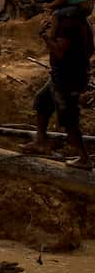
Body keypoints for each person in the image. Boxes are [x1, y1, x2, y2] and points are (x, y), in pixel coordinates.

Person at [23, 11, 93, 169]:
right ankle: (40, 142)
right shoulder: (82, 19)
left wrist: (44, 35)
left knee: (69, 118)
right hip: (70, 73)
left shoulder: (67, 24)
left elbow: (59, 51)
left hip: (67, 78)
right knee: (42, 100)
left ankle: (84, 159)